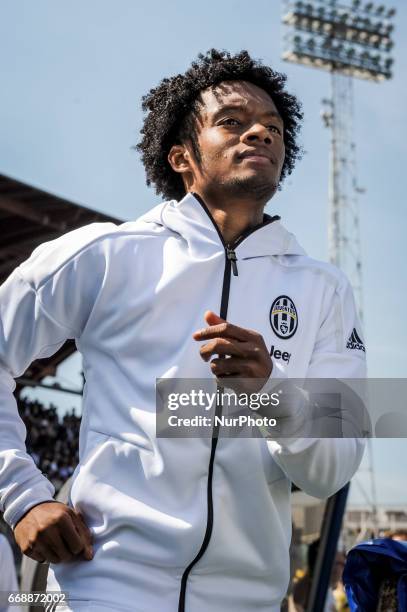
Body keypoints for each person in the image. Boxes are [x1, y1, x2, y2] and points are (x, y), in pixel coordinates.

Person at [0, 49, 366, 611]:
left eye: (273, 128)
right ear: (180, 156)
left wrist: (271, 394)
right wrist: (22, 498)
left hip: (250, 602)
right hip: (105, 591)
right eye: (233, 122)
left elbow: (329, 470)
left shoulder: (326, 289)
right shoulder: (104, 255)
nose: (260, 135)